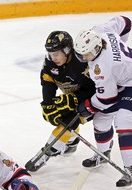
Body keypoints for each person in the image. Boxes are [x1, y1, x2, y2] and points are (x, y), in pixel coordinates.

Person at [74, 15, 132, 190]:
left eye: (86, 54)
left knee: (124, 120)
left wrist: (87, 107)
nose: (83, 57)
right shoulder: (101, 31)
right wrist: (122, 48)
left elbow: (107, 98)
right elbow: (125, 22)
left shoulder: (102, 68)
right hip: (125, 78)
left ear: (96, 48)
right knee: (101, 120)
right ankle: (103, 153)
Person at [25, 30, 96, 171]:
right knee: (56, 115)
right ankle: (71, 142)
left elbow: (94, 90)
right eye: (50, 54)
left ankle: (47, 153)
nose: (53, 58)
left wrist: (74, 98)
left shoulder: (82, 63)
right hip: (74, 97)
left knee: (70, 120)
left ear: (67, 50)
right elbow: (47, 82)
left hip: (93, 99)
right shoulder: (50, 64)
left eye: (56, 54)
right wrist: (48, 105)